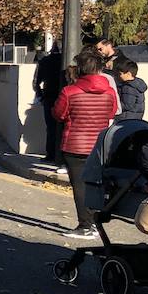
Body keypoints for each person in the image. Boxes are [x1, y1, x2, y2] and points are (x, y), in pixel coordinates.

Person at [52, 49, 119, 240]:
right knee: (95, 185)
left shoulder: (69, 91)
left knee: (80, 186)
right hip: (99, 144)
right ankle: (95, 223)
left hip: (75, 144)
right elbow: (111, 113)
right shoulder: (109, 91)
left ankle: (85, 225)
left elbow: (59, 114)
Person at [33, 44, 67, 175]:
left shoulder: (45, 61)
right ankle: (61, 156)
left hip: (49, 98)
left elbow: (36, 81)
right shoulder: (67, 62)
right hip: (65, 97)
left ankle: (51, 154)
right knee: (65, 128)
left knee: (51, 127)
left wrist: (40, 96)